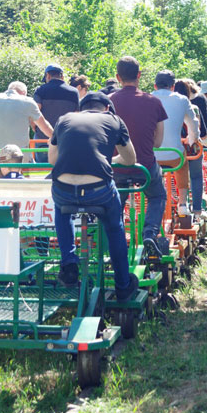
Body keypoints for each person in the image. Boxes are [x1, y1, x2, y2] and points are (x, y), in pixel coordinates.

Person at [47, 91, 140, 300]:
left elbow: (53, 159)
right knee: (115, 227)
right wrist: (110, 160)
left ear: (80, 108)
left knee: (61, 211)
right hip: (99, 191)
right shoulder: (114, 120)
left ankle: (69, 265)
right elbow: (131, 159)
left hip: (63, 189)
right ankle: (123, 285)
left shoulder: (64, 119)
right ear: (107, 108)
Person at [110, 56, 171, 255]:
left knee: (116, 200)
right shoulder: (153, 102)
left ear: (118, 77)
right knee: (158, 195)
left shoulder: (108, 102)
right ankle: (149, 233)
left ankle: (115, 237)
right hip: (144, 166)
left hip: (117, 165)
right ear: (139, 75)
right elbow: (158, 142)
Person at [153, 70, 199, 217]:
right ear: (173, 86)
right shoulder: (182, 100)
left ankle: (154, 203)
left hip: (151, 156)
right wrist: (192, 140)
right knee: (183, 164)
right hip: (174, 156)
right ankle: (182, 204)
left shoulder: (147, 98)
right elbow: (193, 123)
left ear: (155, 86)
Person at [0, 81, 53, 163]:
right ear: (24, 93)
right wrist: (58, 139)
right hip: (19, 157)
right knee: (34, 171)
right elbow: (45, 127)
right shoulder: (28, 101)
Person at [176, 79, 207, 220]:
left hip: (176, 149)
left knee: (177, 177)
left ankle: (181, 205)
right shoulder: (193, 108)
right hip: (193, 148)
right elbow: (198, 130)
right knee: (196, 176)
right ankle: (197, 211)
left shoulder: (169, 108)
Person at [33, 64, 79, 162]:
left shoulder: (40, 90)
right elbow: (77, 115)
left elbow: (35, 111)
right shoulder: (74, 92)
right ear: (62, 76)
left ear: (48, 75)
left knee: (42, 169)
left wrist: (35, 127)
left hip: (43, 138)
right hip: (65, 138)